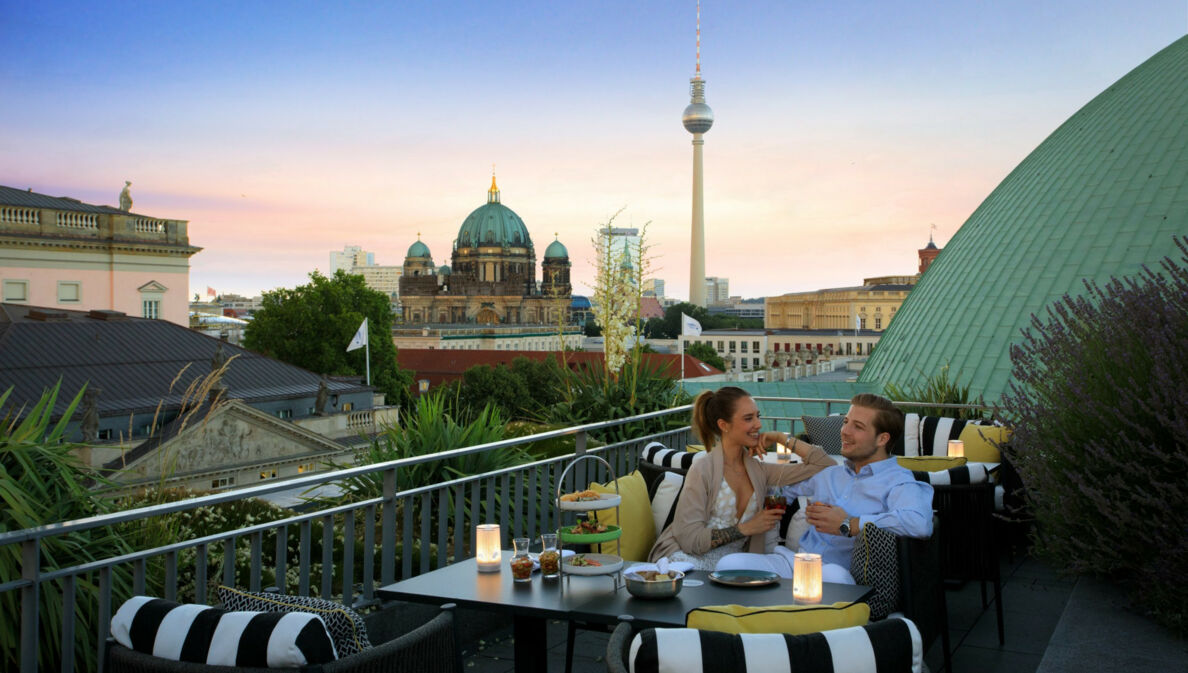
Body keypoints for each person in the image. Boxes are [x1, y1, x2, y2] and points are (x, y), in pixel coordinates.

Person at [716, 393, 934, 583]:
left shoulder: (899, 481)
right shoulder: (830, 473)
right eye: (846, 421)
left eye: (857, 427)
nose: (844, 431)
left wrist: (849, 523)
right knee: (729, 565)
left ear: (882, 439)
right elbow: (781, 492)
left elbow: (919, 523)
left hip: (839, 572)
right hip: (798, 563)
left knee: (834, 579)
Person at [648, 386, 835, 569]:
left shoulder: (759, 470)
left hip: (734, 566)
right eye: (748, 418)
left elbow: (824, 464)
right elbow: (689, 540)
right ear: (724, 425)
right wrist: (746, 528)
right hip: (687, 562)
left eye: (757, 416)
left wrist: (780, 437)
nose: (759, 424)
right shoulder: (703, 469)